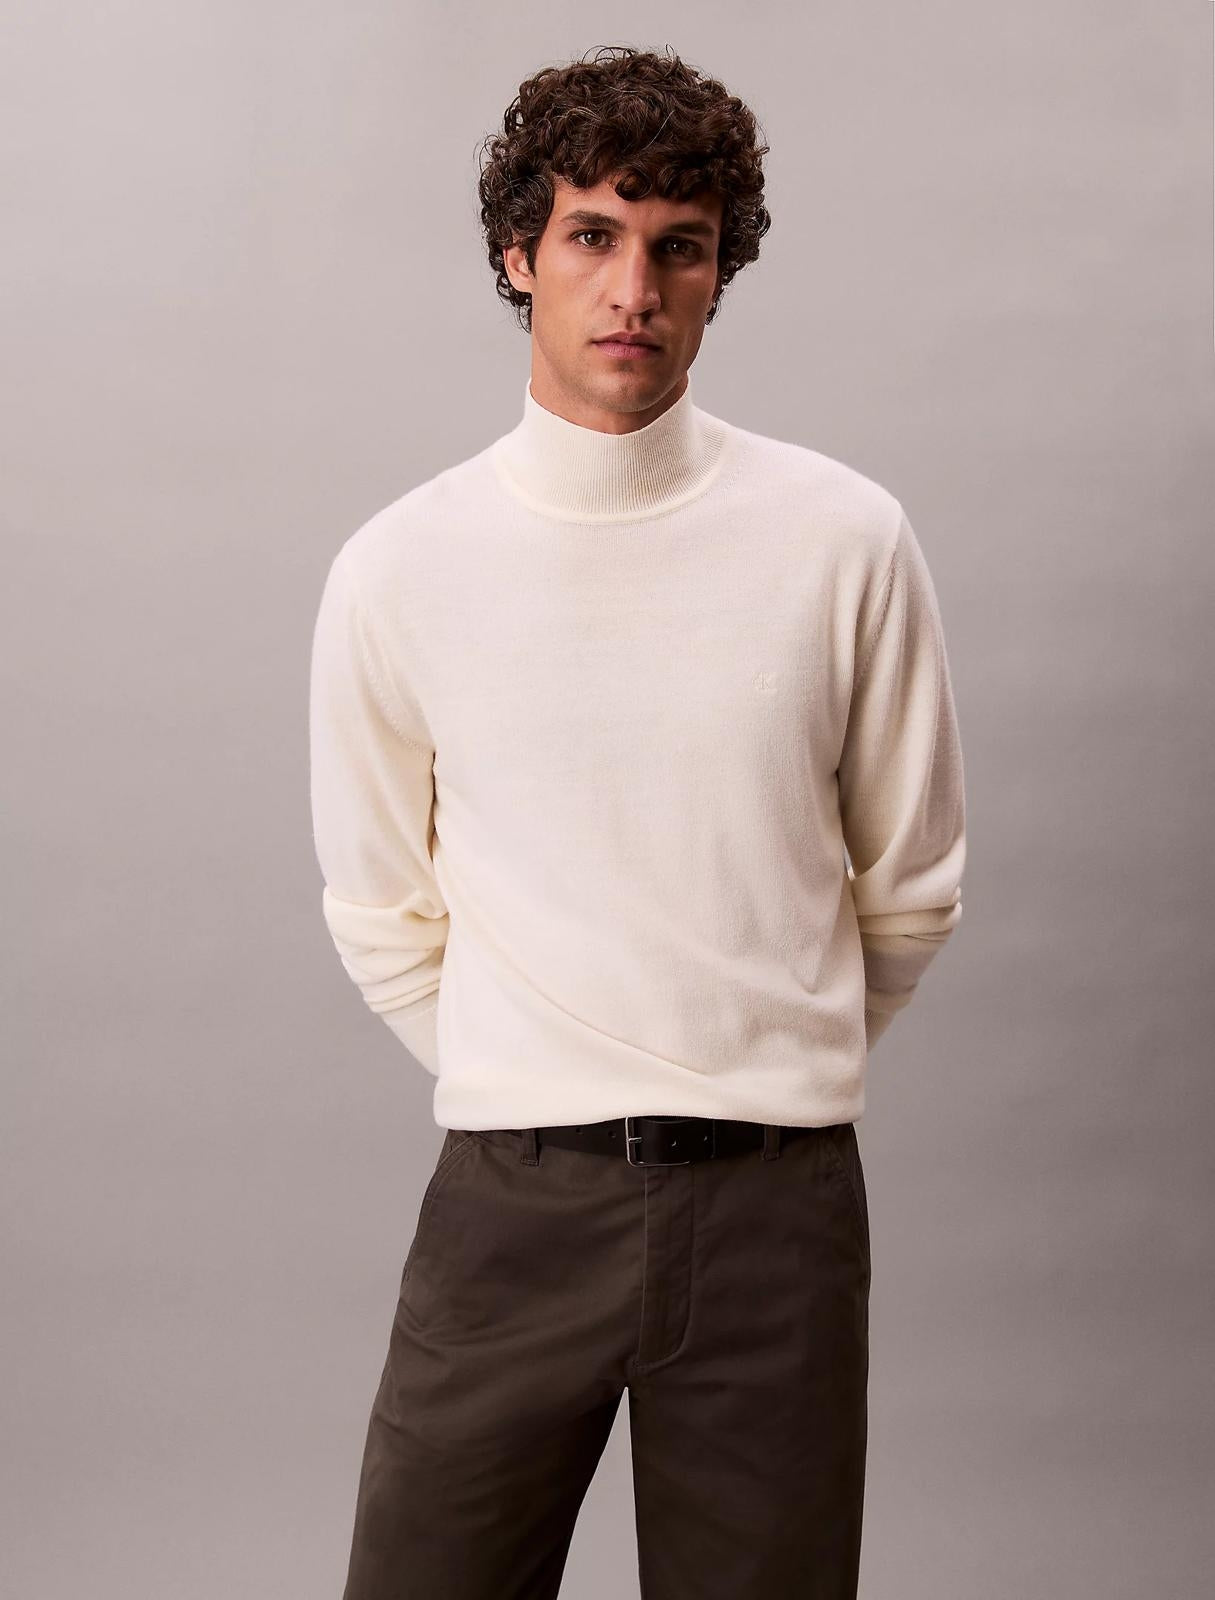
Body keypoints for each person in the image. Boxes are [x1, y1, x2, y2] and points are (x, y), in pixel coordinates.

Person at [308, 42, 966, 1600]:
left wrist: (752, 1059)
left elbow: (911, 888)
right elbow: (381, 912)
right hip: (512, 1209)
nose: (634, 290)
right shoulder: (401, 569)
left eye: (681, 247)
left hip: (776, 1217)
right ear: (517, 255)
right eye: (593, 236)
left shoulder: (843, 541)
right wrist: (541, 1067)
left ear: (720, 274)